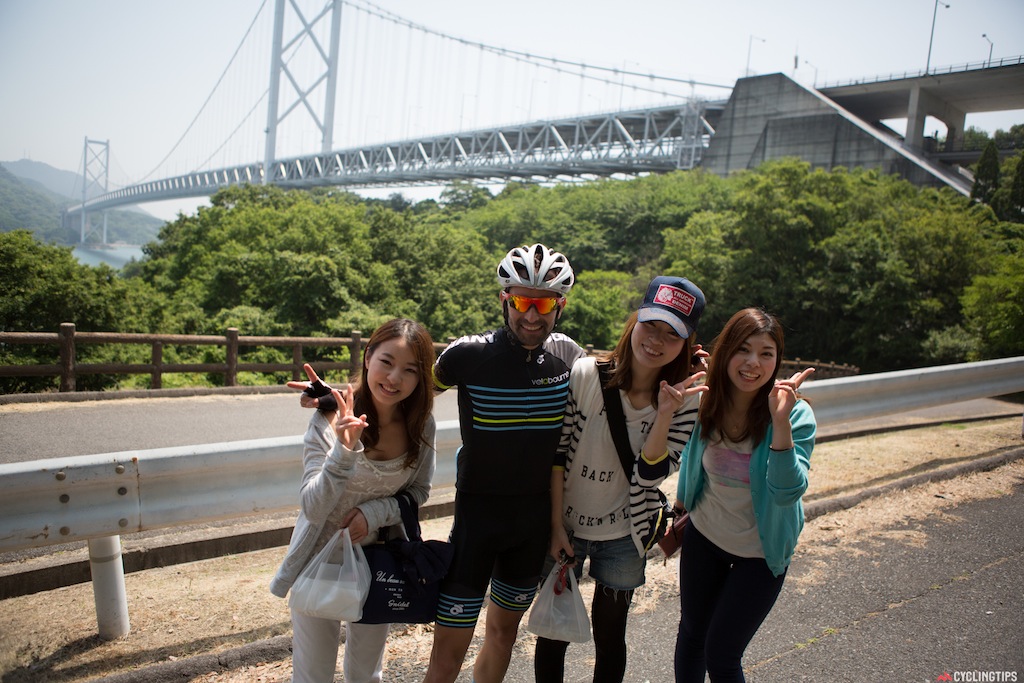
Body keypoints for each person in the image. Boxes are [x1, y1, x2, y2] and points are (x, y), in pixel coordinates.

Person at [423, 243, 588, 683]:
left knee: (502, 638)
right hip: (476, 521)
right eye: (520, 301)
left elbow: (622, 382)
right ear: (504, 299)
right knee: (447, 653)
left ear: (560, 305)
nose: (531, 315)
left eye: (543, 303)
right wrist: (341, 403)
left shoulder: (570, 358)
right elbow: (402, 391)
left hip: (531, 527)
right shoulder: (467, 355)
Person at [537, 275, 709, 683]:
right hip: (568, 525)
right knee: (553, 633)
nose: (656, 340)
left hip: (625, 534)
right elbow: (557, 455)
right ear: (634, 322)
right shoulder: (584, 375)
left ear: (686, 344)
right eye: (650, 325)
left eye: (672, 334)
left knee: (611, 636)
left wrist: (665, 412)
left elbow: (652, 476)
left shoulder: (688, 403)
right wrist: (555, 525)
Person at [269, 318, 438, 683]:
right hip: (318, 558)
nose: (394, 378)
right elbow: (313, 508)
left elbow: (418, 492)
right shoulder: (329, 416)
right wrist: (343, 452)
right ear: (367, 357)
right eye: (387, 362)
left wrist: (373, 513)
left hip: (380, 559)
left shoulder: (420, 425)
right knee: (313, 674)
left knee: (367, 673)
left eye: (410, 370)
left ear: (421, 378)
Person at [673, 308, 816, 683]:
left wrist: (780, 423)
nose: (753, 363)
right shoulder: (707, 401)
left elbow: (787, 494)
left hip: (761, 554)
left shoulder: (795, 415)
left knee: (721, 655)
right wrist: (679, 505)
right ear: (726, 352)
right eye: (743, 349)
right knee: (691, 635)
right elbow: (688, 455)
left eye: (766, 353)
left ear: (777, 360)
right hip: (705, 536)